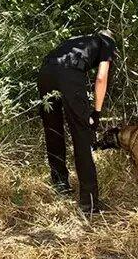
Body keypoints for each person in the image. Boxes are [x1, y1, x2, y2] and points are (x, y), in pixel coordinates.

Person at [38, 29, 116, 214]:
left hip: (45, 72)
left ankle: (60, 185)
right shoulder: (106, 42)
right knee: (82, 134)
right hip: (69, 73)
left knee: (53, 129)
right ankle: (89, 203)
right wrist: (96, 113)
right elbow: (101, 78)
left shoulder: (77, 40)